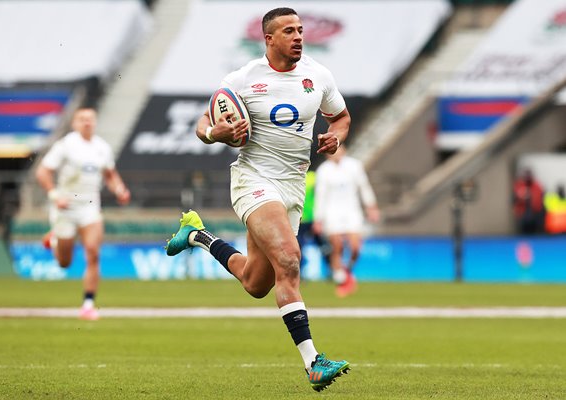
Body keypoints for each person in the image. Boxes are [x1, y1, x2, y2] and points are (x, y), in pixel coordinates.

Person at [166, 7, 351, 392]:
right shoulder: (243, 79)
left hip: (292, 188)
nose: (298, 36)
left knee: (255, 282)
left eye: (300, 30)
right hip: (254, 180)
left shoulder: (318, 75)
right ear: (269, 39)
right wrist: (214, 134)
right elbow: (204, 124)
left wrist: (336, 136)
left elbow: (341, 117)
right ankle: (313, 362)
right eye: (289, 31)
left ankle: (197, 235)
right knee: (289, 258)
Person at [35, 107, 131, 320]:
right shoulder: (66, 145)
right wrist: (54, 195)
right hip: (66, 206)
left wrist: (119, 189)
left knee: (93, 252)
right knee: (64, 263)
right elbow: (43, 171)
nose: (87, 122)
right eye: (82, 119)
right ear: (74, 123)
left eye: (90, 119)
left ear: (95, 122)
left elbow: (110, 174)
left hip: (90, 206)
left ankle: (88, 304)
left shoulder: (102, 147)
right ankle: (54, 242)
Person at [313, 146, 379, 297]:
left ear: (344, 150)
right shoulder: (324, 170)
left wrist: (371, 207)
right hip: (332, 212)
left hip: (352, 211)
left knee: (355, 247)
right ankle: (342, 280)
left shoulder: (354, 166)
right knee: (337, 246)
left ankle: (346, 272)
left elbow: (364, 187)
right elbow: (320, 196)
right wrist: (318, 219)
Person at [512, 168, 545, 235]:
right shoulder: (519, 185)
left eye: (529, 175)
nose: (528, 177)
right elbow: (515, 198)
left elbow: (540, 199)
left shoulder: (537, 186)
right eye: (526, 175)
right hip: (522, 215)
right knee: (523, 234)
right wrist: (522, 196)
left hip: (535, 215)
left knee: (535, 234)